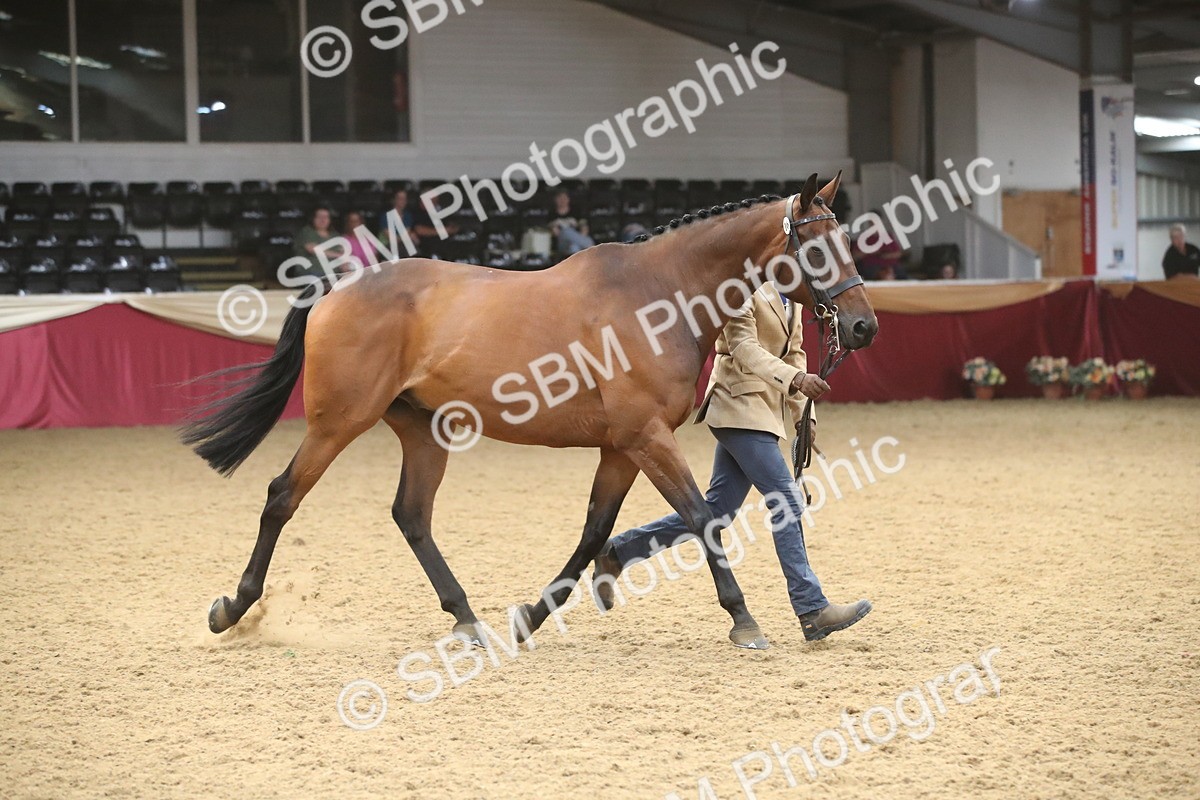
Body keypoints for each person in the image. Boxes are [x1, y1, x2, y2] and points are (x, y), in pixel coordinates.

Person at [592, 282, 872, 643]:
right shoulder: (742, 287)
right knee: (786, 501)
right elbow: (743, 347)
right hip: (736, 405)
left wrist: (804, 414)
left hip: (764, 411)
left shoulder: (793, 296)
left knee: (717, 512)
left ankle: (617, 553)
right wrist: (797, 381)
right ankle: (812, 608)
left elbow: (795, 352)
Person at [292, 206, 338, 276]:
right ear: (313, 219)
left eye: (326, 217)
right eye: (319, 217)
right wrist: (338, 255)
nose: (323, 220)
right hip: (311, 273)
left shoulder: (335, 235)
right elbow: (314, 250)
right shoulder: (306, 231)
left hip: (334, 274)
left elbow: (343, 252)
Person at [548, 190, 594, 255]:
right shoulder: (552, 214)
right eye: (560, 198)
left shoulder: (576, 211)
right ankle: (590, 245)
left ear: (568, 199)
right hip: (561, 242)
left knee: (574, 247)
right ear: (555, 200)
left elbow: (584, 228)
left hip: (575, 242)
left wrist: (577, 227)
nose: (562, 201)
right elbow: (556, 233)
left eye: (564, 198)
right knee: (566, 231)